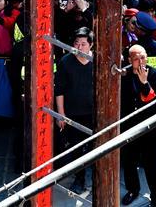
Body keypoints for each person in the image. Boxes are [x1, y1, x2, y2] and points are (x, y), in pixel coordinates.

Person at [120, 44, 156, 207]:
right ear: (130, 60)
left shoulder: (153, 73)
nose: (140, 61)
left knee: (151, 164)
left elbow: (151, 98)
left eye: (143, 57)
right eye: (136, 59)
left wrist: (144, 82)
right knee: (129, 161)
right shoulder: (124, 74)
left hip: (147, 126)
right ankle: (133, 190)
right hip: (128, 125)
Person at [55, 27, 94, 195]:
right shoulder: (65, 61)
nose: (79, 47)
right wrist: (61, 114)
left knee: (96, 146)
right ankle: (80, 179)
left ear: (91, 45)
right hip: (73, 112)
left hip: (94, 112)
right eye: (77, 43)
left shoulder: (98, 60)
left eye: (83, 44)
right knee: (76, 148)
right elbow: (60, 90)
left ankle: (98, 179)